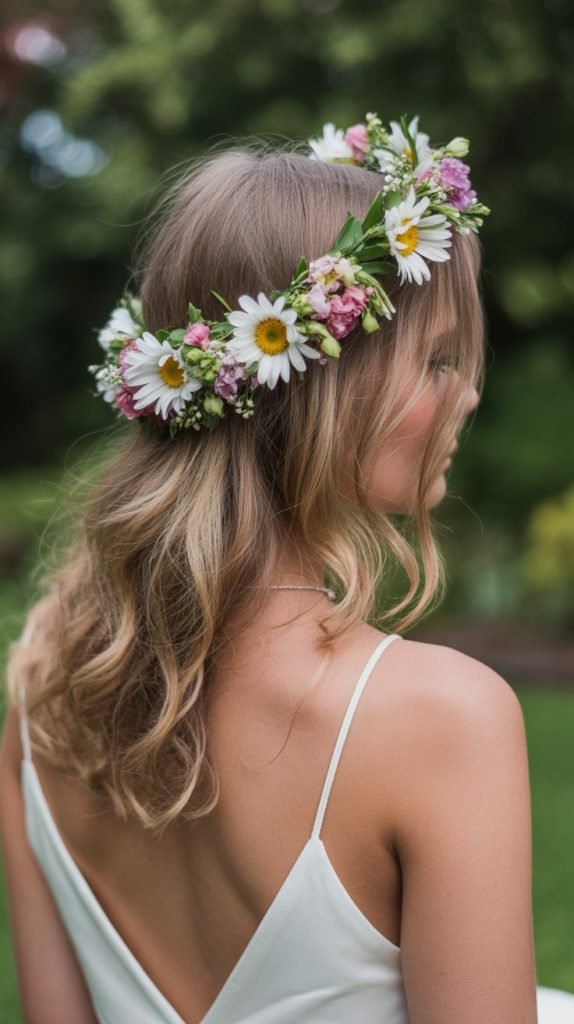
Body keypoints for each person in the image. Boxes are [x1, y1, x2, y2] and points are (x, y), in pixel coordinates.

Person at [0, 113, 570, 1023]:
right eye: (434, 360)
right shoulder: (441, 717)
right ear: (316, 381)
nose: (467, 393)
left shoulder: (43, 699)